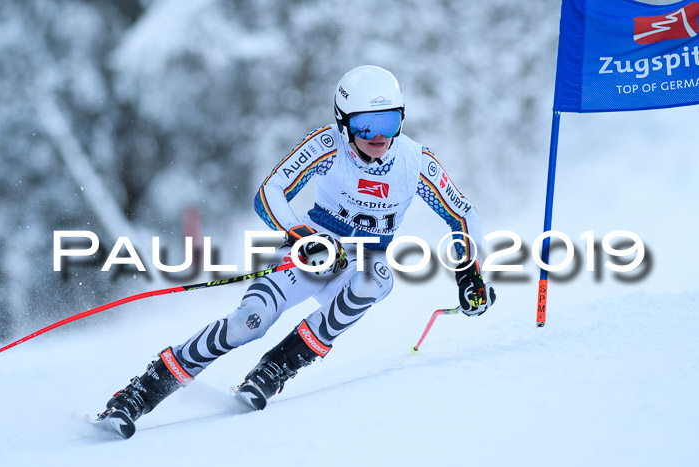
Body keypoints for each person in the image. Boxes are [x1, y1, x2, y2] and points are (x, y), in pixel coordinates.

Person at [98, 65, 496, 429]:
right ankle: (139, 393)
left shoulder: (414, 161)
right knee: (246, 324)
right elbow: (268, 193)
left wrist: (467, 274)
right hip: (313, 253)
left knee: (377, 278)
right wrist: (299, 233)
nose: (378, 137)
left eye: (389, 122)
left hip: (362, 262)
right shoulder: (326, 145)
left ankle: (276, 369)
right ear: (343, 124)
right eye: (366, 125)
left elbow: (463, 216)